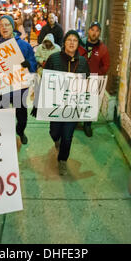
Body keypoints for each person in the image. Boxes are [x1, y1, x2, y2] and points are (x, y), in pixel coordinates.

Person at [40, 30, 90, 176]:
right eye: (69, 39)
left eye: (75, 40)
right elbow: (45, 78)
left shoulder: (83, 62)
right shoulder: (53, 58)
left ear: (78, 44)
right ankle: (57, 140)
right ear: (64, 42)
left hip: (72, 106)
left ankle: (62, 160)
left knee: (68, 136)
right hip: (55, 105)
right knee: (54, 132)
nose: (72, 42)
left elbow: (87, 82)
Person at [0, 15, 37, 145]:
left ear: (13, 27)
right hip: (2, 89)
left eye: (7, 24)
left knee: (22, 117)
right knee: (1, 117)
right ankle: (5, 138)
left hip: (19, 88)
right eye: (1, 25)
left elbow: (33, 65)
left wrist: (29, 65)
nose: (4, 27)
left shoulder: (24, 45)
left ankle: (20, 131)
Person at [79, 21, 110, 137]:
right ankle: (74, 121)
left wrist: (96, 75)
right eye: (92, 30)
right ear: (88, 30)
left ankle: (87, 124)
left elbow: (106, 65)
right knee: (77, 100)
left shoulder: (103, 49)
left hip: (93, 81)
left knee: (90, 103)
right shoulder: (80, 44)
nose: (94, 33)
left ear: (100, 33)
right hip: (79, 80)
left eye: (97, 31)